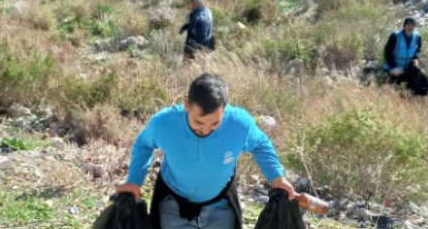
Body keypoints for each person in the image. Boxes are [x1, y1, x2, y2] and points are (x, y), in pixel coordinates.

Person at [116, 73, 296, 229]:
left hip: (221, 210)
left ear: (224, 110)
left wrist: (277, 176)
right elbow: (143, 144)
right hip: (173, 209)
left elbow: (260, 145)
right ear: (187, 104)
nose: (206, 129)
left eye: (214, 124)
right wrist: (134, 181)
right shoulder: (164, 123)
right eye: (199, 123)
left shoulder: (239, 124)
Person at [383, 17, 428, 95]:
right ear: (404, 26)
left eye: (412, 26)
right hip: (393, 69)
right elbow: (387, 52)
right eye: (408, 25)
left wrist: (415, 58)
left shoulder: (417, 37)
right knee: (392, 92)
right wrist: (394, 67)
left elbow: (418, 49)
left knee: (418, 86)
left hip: (407, 69)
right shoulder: (395, 36)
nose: (410, 28)